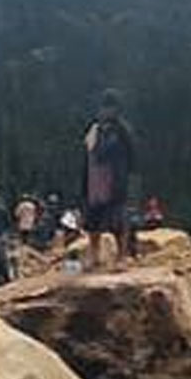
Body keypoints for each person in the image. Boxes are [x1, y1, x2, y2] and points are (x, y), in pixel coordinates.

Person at [81, 89, 135, 271]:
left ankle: (122, 257)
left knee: (118, 221)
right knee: (92, 220)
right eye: (102, 108)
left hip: (115, 180)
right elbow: (88, 154)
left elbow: (132, 155)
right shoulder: (94, 129)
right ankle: (94, 255)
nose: (104, 112)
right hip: (94, 182)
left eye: (108, 108)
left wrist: (126, 175)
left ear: (116, 109)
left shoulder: (122, 131)